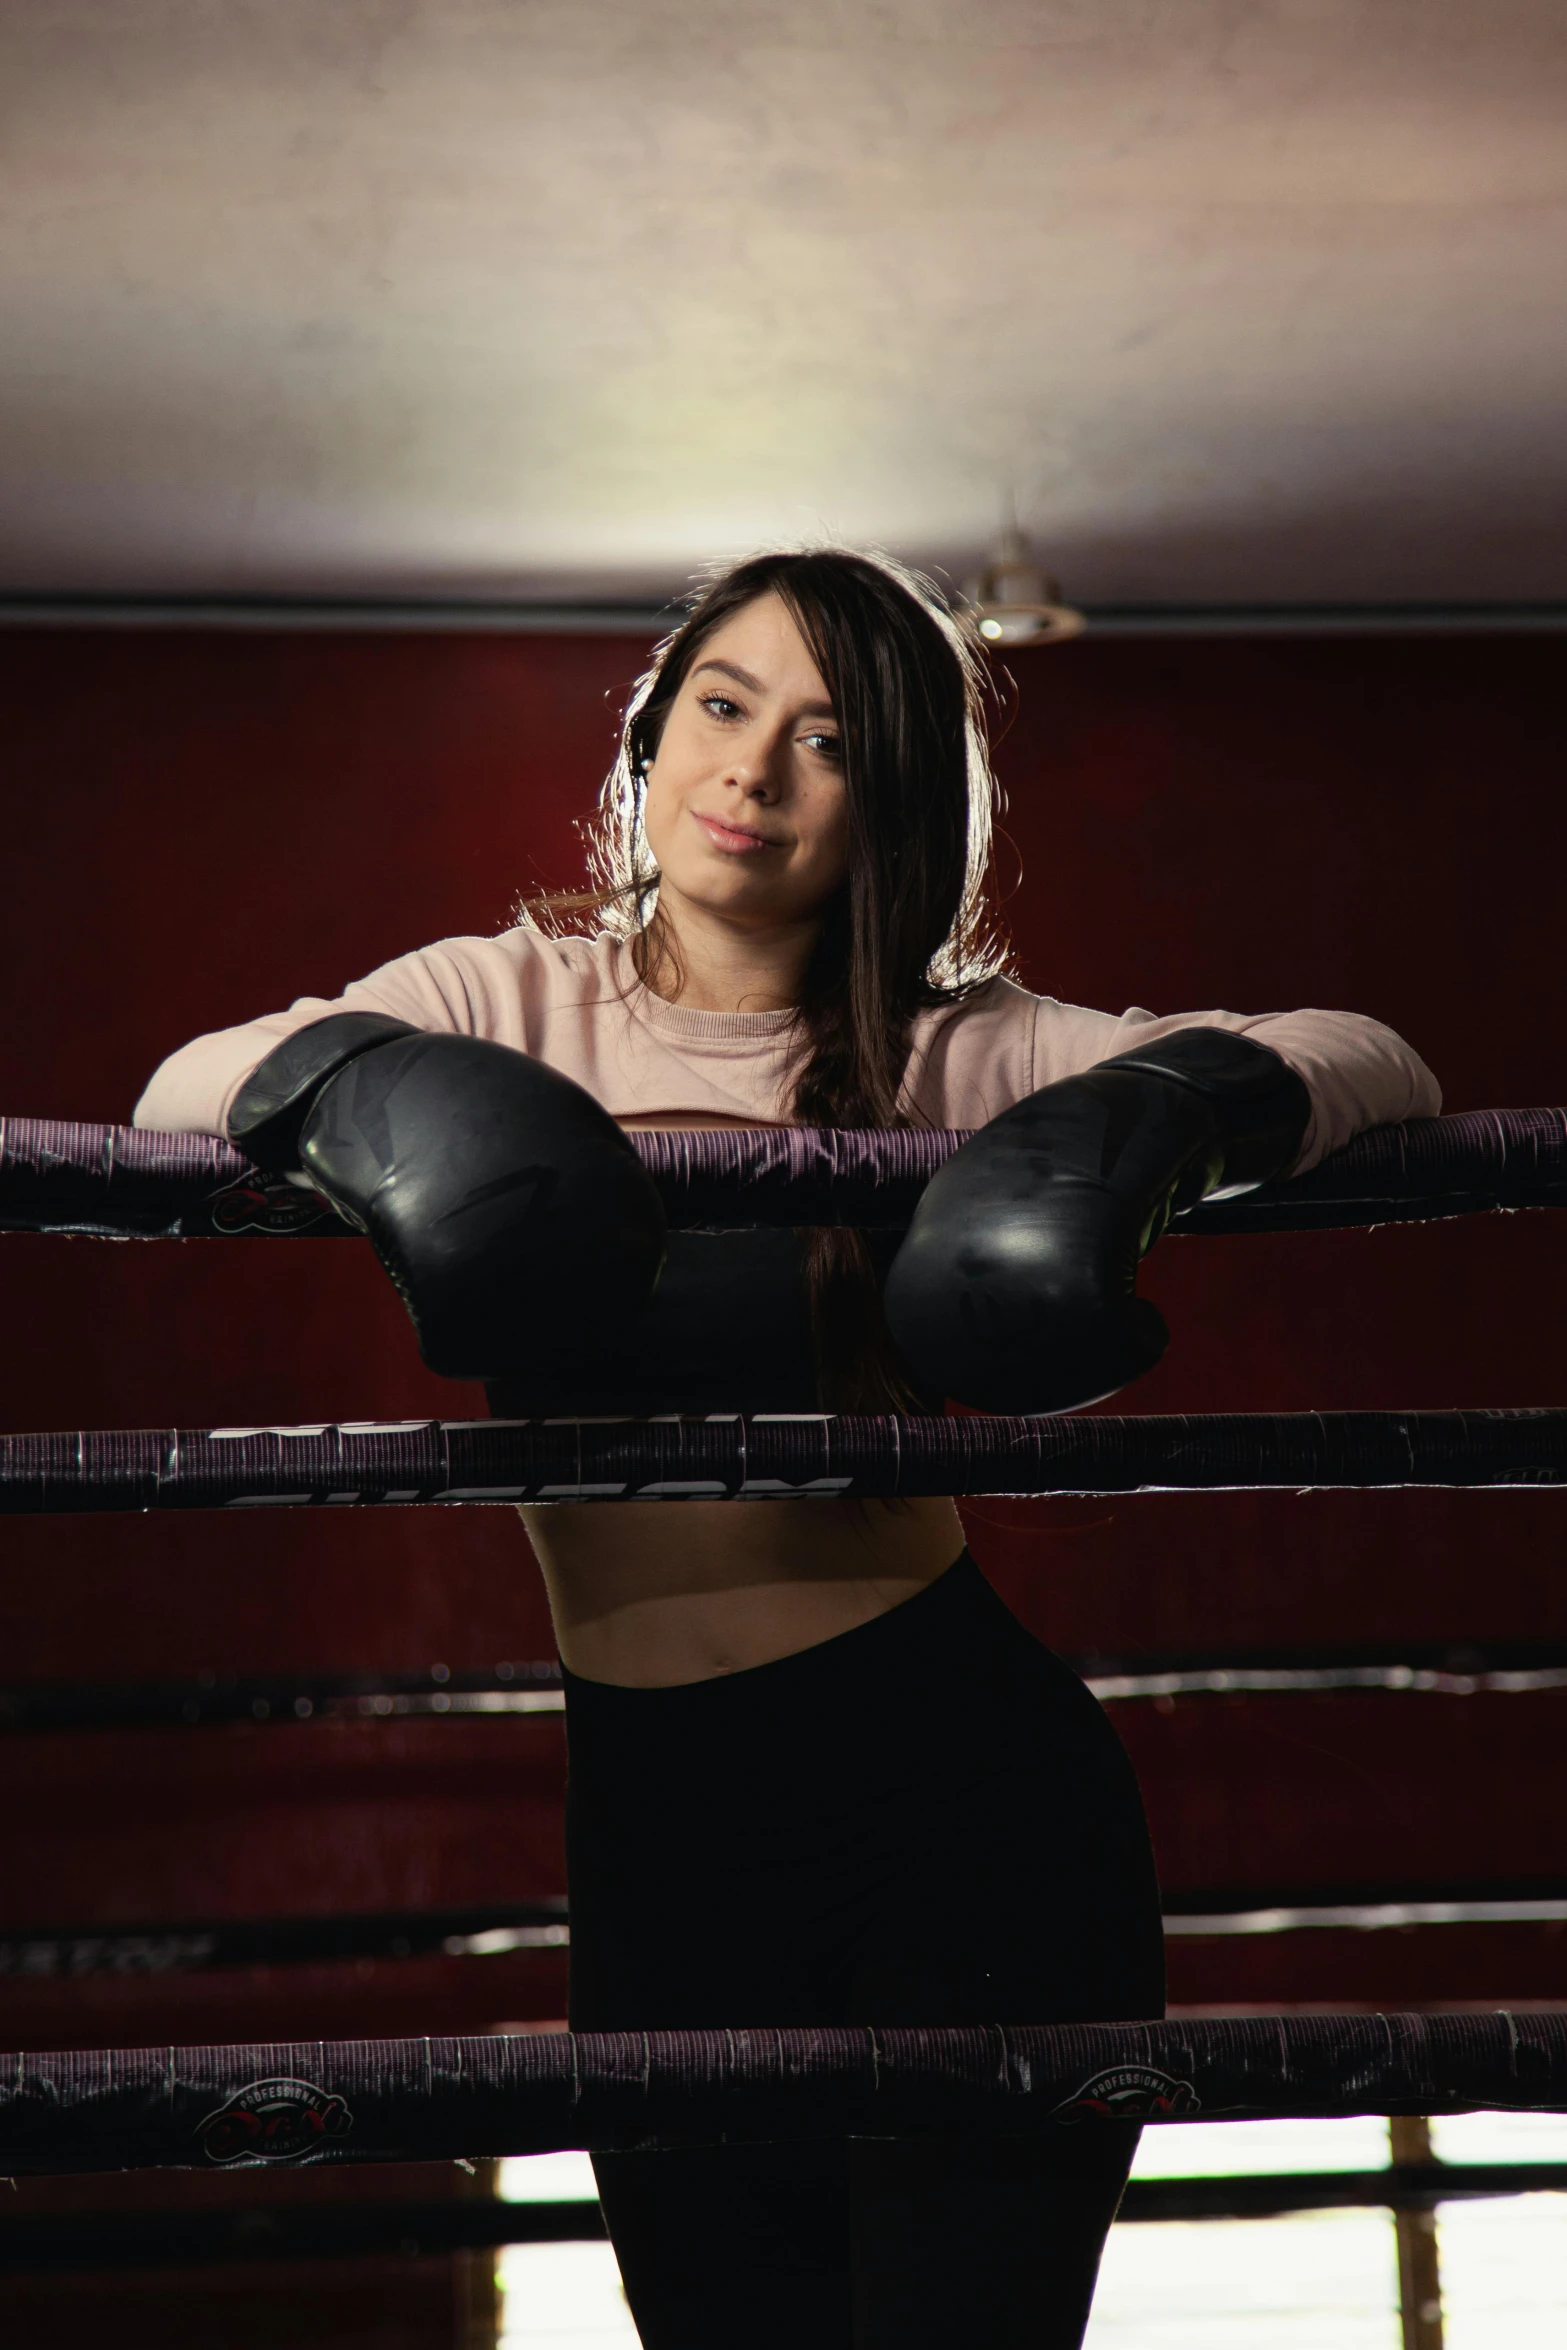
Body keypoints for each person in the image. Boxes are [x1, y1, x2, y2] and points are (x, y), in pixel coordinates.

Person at [135, 549, 1440, 2348]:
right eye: (722, 708)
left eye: (826, 739)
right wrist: (374, 1089)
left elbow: (1367, 1054)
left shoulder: (952, 1049)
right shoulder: (498, 1002)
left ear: (890, 797)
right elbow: (182, 1089)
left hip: (956, 1805)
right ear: (653, 737)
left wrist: (1163, 1119)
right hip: (653, 1826)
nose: (751, 772)